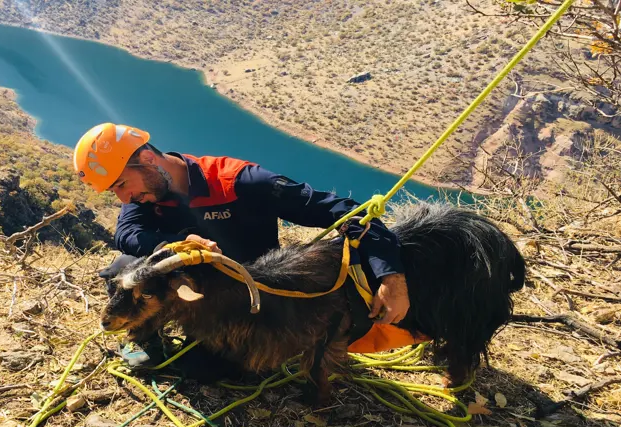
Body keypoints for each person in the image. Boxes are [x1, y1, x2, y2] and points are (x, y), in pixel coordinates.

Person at [72, 122, 410, 373]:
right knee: (124, 267)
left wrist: (391, 276)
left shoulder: (241, 182)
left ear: (148, 159)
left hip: (248, 297)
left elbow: (347, 213)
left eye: (122, 184)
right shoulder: (144, 194)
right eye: (114, 191)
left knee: (208, 369)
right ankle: (145, 336)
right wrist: (175, 245)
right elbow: (127, 234)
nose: (124, 197)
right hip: (194, 297)